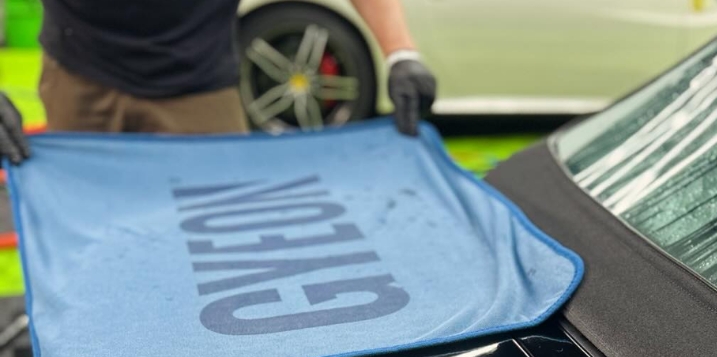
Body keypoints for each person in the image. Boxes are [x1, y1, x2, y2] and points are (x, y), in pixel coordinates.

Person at [0, 0, 436, 164]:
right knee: (86, 243)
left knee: (209, 260)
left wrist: (400, 52)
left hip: (200, 89)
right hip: (79, 78)